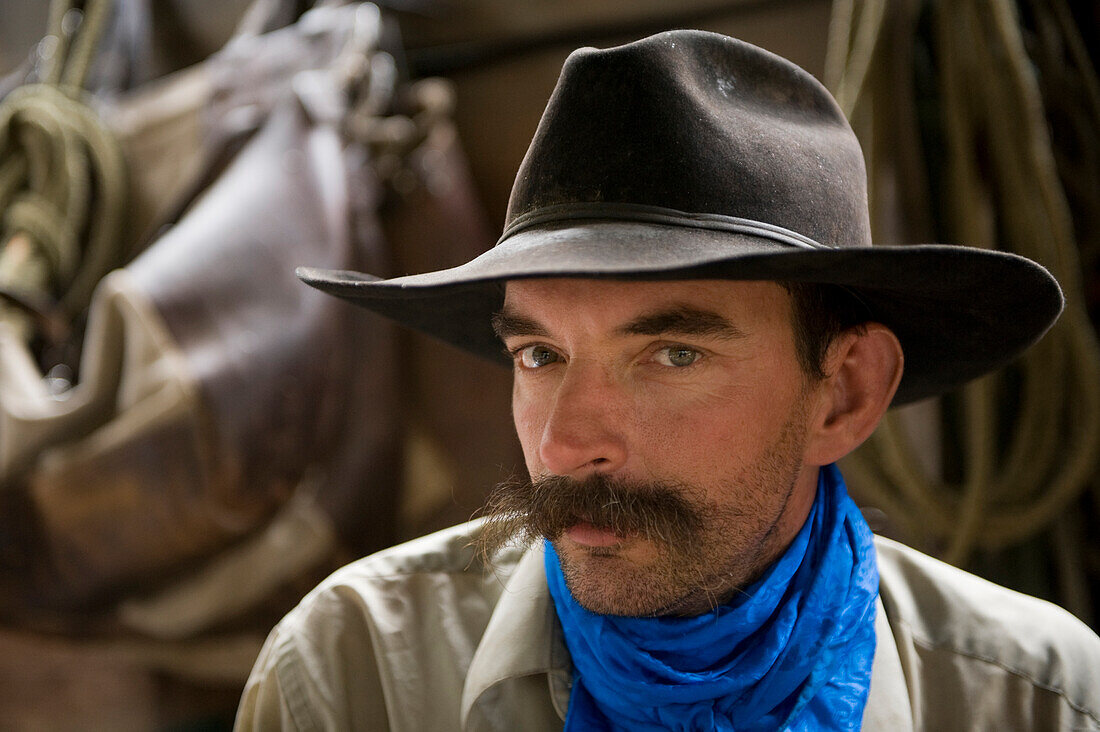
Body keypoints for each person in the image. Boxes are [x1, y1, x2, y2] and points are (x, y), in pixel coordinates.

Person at [236, 30, 1100, 731]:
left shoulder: (1038, 701)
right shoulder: (353, 679)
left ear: (843, 394)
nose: (565, 445)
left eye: (672, 356)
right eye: (540, 355)